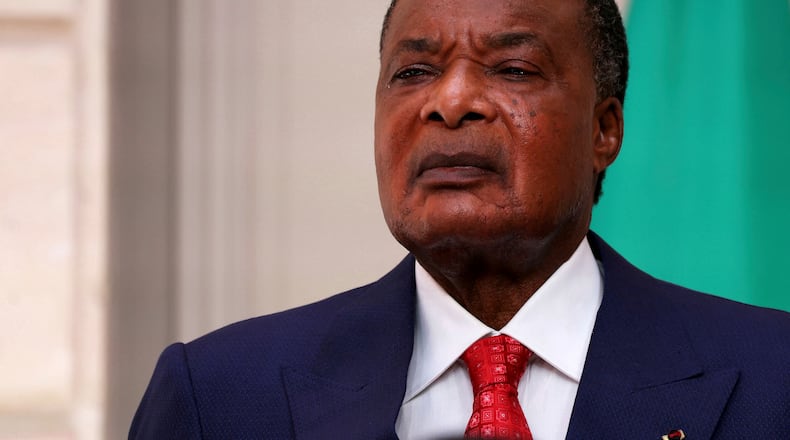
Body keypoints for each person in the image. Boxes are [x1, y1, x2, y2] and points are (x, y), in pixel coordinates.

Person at [130, 0, 790, 438]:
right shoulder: (221, 400)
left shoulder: (772, 382)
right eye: (413, 71)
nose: (451, 102)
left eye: (513, 68)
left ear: (605, 128)